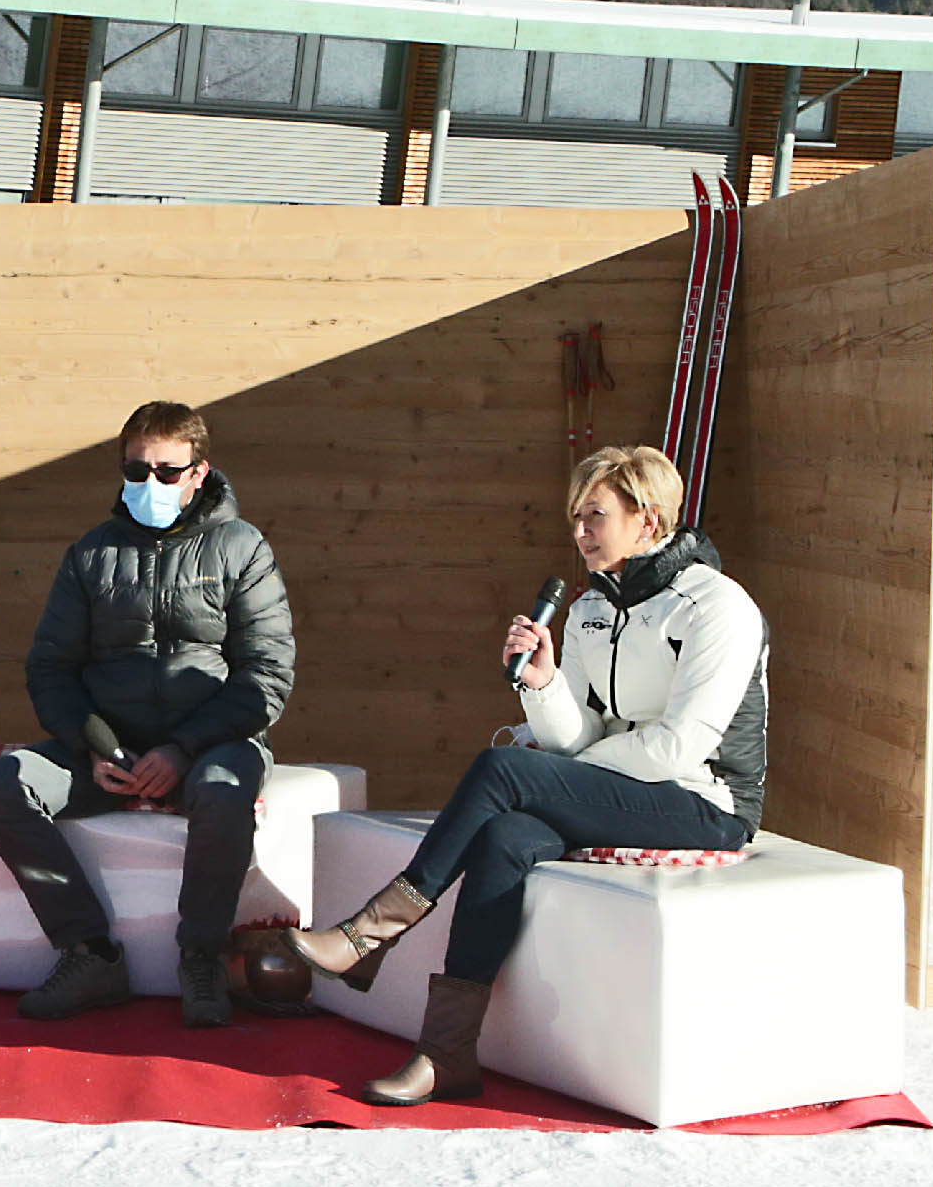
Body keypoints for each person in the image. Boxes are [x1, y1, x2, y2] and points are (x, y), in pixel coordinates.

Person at [291, 443, 768, 1107]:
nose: (578, 533)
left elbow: (680, 747)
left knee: (505, 771)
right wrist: (543, 686)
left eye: (594, 515)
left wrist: (551, 772)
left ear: (649, 521)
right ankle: (445, 1053)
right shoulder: (590, 610)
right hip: (623, 787)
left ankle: (369, 933)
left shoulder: (719, 608)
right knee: (505, 836)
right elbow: (576, 738)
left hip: (703, 800)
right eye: (575, 516)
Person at [0, 401, 296, 1031]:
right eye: (136, 470)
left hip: (214, 742)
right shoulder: (89, 555)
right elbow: (50, 668)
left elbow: (267, 675)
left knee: (223, 792)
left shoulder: (243, 547)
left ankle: (202, 956)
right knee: (3, 784)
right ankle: (88, 953)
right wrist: (99, 747)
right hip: (104, 747)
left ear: (200, 472)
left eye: (167, 472)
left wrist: (182, 748)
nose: (150, 484)